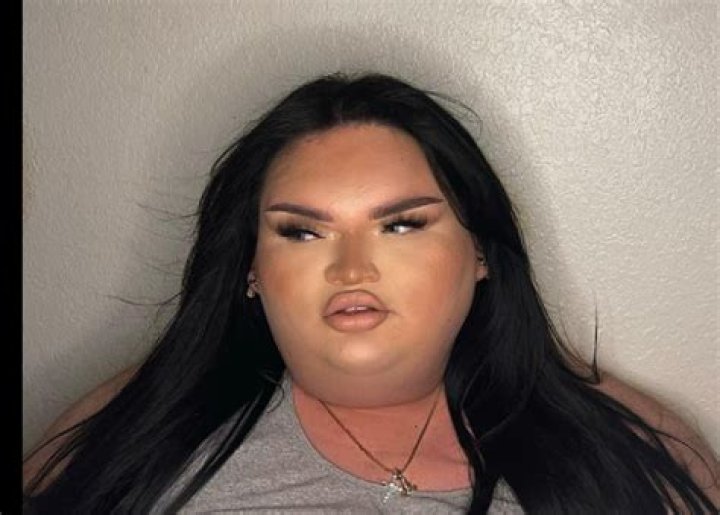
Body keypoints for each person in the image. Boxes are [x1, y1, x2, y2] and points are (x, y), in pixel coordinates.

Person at [23, 73, 718, 514]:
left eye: (401, 224)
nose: (351, 268)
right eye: (302, 232)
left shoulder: (630, 451)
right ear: (250, 269)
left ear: (480, 251)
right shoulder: (127, 437)